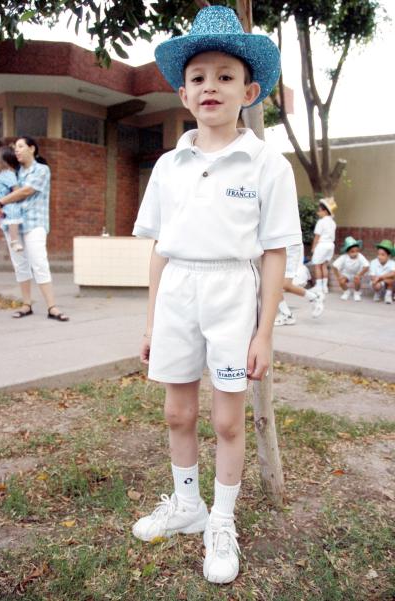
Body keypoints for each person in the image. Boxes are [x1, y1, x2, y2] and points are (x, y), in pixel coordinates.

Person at [130, 5, 302, 585]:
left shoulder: (266, 165)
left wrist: (264, 331)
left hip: (233, 293)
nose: (211, 87)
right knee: (178, 410)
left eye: (225, 76)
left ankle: (220, 521)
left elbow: (275, 251)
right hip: (179, 288)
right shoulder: (168, 166)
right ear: (184, 94)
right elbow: (158, 249)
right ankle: (188, 505)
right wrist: (153, 322)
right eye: (199, 77)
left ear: (248, 90)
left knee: (228, 422)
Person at [0, 137, 69, 321]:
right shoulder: (14, 171)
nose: (17, 151)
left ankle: (52, 307)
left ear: (32, 148)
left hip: (35, 224)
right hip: (13, 225)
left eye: (21, 147)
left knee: (39, 262)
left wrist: (1, 202)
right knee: (20, 265)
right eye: (15, 148)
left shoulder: (42, 170)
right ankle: (26, 304)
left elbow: (25, 191)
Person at [275, 243, 324, 325]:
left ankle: (315, 297)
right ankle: (286, 314)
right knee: (273, 285)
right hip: (281, 245)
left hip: (288, 246)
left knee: (281, 285)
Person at [0, 146, 23, 252]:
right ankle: (14, 240)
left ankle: (0, 213)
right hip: (4, 200)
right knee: (13, 210)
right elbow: (17, 191)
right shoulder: (9, 173)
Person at [310, 197, 337, 294]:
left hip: (322, 245)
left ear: (325, 211)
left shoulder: (321, 222)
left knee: (317, 265)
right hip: (330, 245)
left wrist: (313, 248)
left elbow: (317, 237)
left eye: (319, 210)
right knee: (324, 265)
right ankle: (324, 287)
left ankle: (318, 286)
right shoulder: (333, 223)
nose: (318, 212)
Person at [332, 236, 370, 301]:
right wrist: (339, 276)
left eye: (357, 251)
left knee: (357, 279)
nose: (355, 253)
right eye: (352, 252)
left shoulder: (360, 256)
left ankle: (357, 293)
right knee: (341, 281)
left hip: (357, 273)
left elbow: (367, 266)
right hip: (346, 274)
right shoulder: (344, 257)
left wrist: (359, 274)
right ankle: (346, 292)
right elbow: (334, 266)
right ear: (347, 252)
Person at [369, 239, 395, 304]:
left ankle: (388, 295)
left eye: (382, 255)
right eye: (378, 254)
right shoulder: (373, 262)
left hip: (386, 282)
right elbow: (372, 276)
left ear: (388, 256)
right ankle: (377, 293)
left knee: (392, 278)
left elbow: (393, 273)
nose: (379, 257)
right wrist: (378, 279)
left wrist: (380, 277)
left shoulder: (392, 263)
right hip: (376, 282)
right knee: (376, 284)